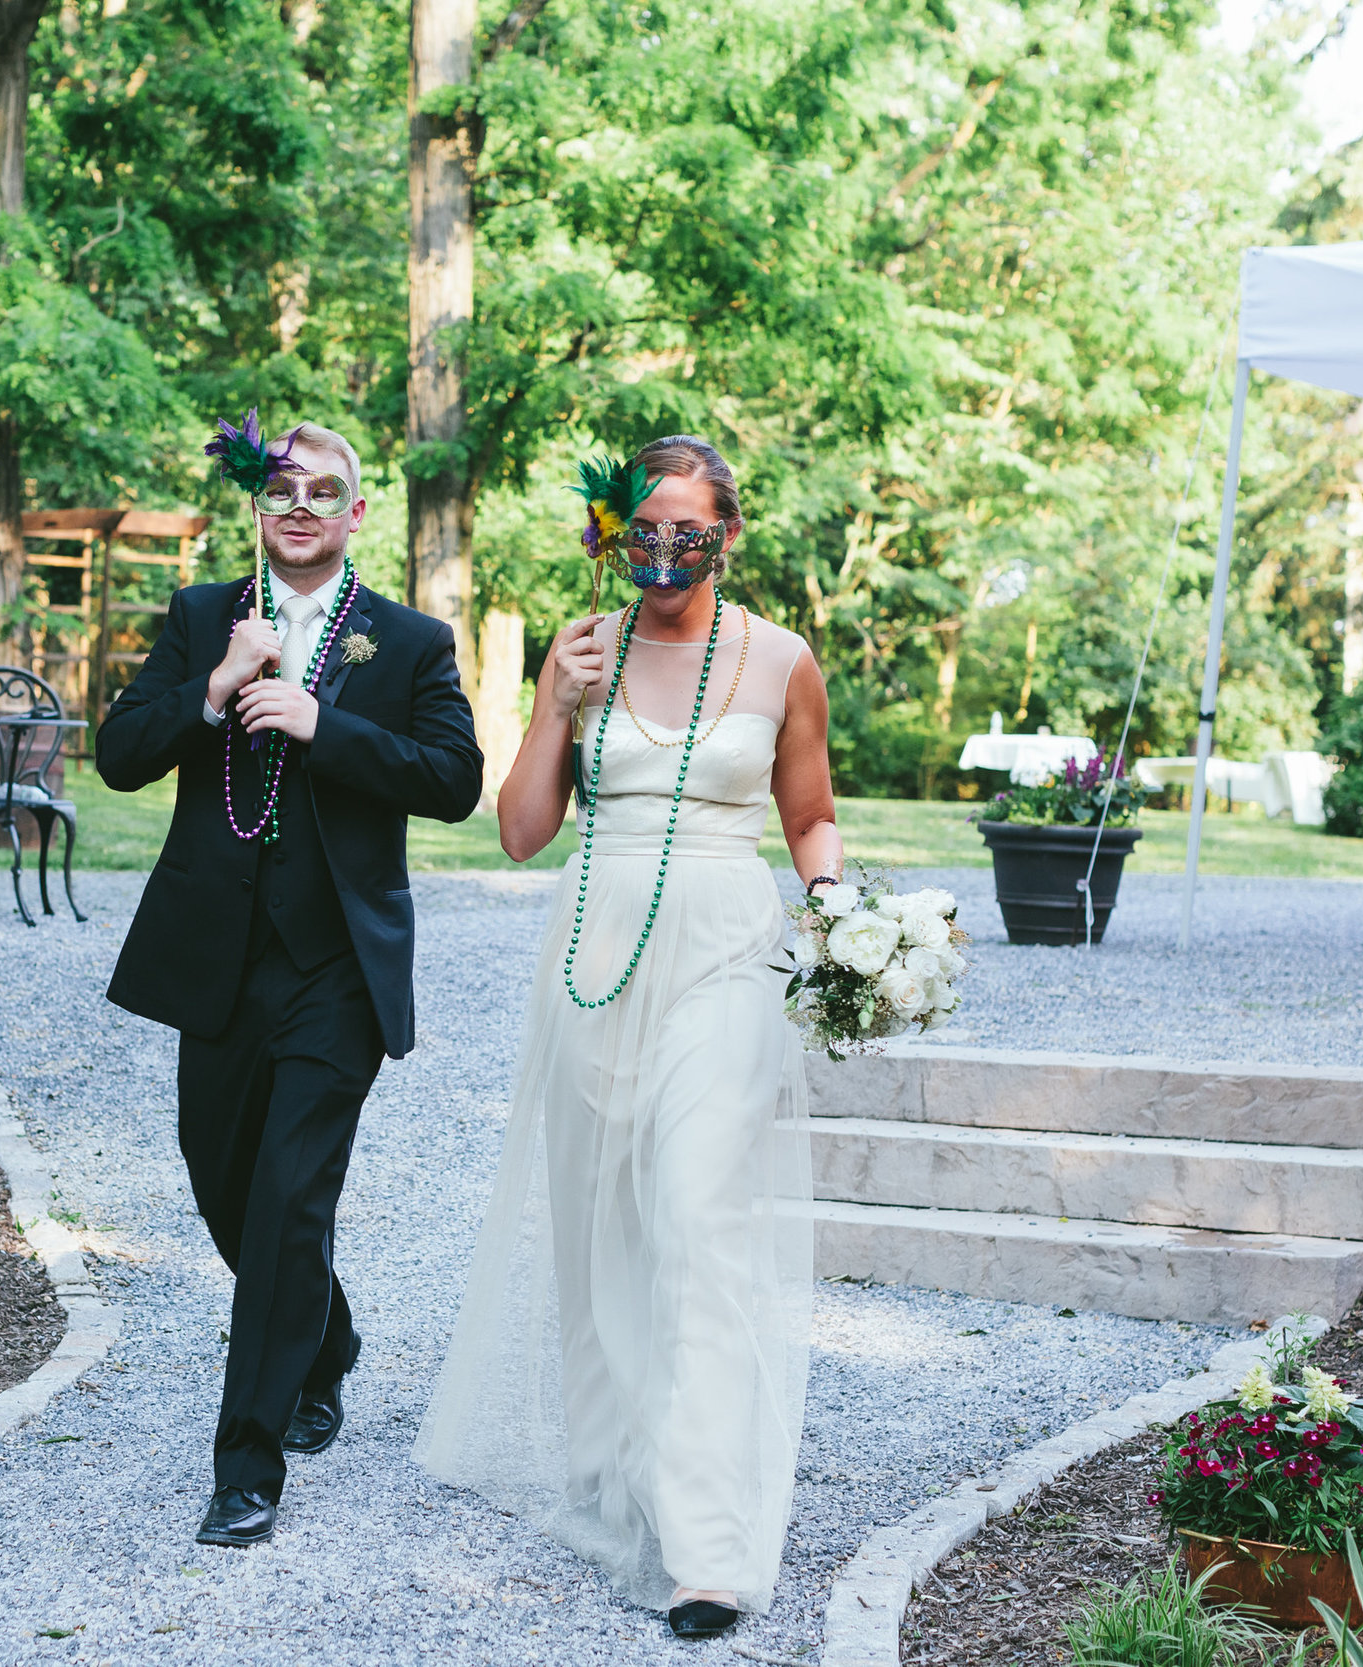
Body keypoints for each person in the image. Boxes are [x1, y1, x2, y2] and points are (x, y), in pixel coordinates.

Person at [414, 435, 839, 1640]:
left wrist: (844, 918)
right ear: (611, 534)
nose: (661, 551)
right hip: (596, 947)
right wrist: (556, 700)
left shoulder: (781, 659)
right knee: (602, 1215)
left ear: (727, 534)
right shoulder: (583, 646)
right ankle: (614, 1470)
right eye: (639, 530)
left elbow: (807, 815)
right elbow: (518, 831)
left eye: (686, 530)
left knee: (698, 1213)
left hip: (724, 950)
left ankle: (706, 1544)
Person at [98, 421, 484, 1549]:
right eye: (283, 490)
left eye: (327, 491)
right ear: (259, 509)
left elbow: (455, 780)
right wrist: (213, 687)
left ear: (357, 513)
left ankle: (244, 1467)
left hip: (336, 974)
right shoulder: (198, 617)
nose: (303, 506)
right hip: (217, 965)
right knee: (225, 1188)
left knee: (287, 1204)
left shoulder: (408, 641)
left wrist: (328, 724)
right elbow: (120, 755)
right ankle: (327, 1341)